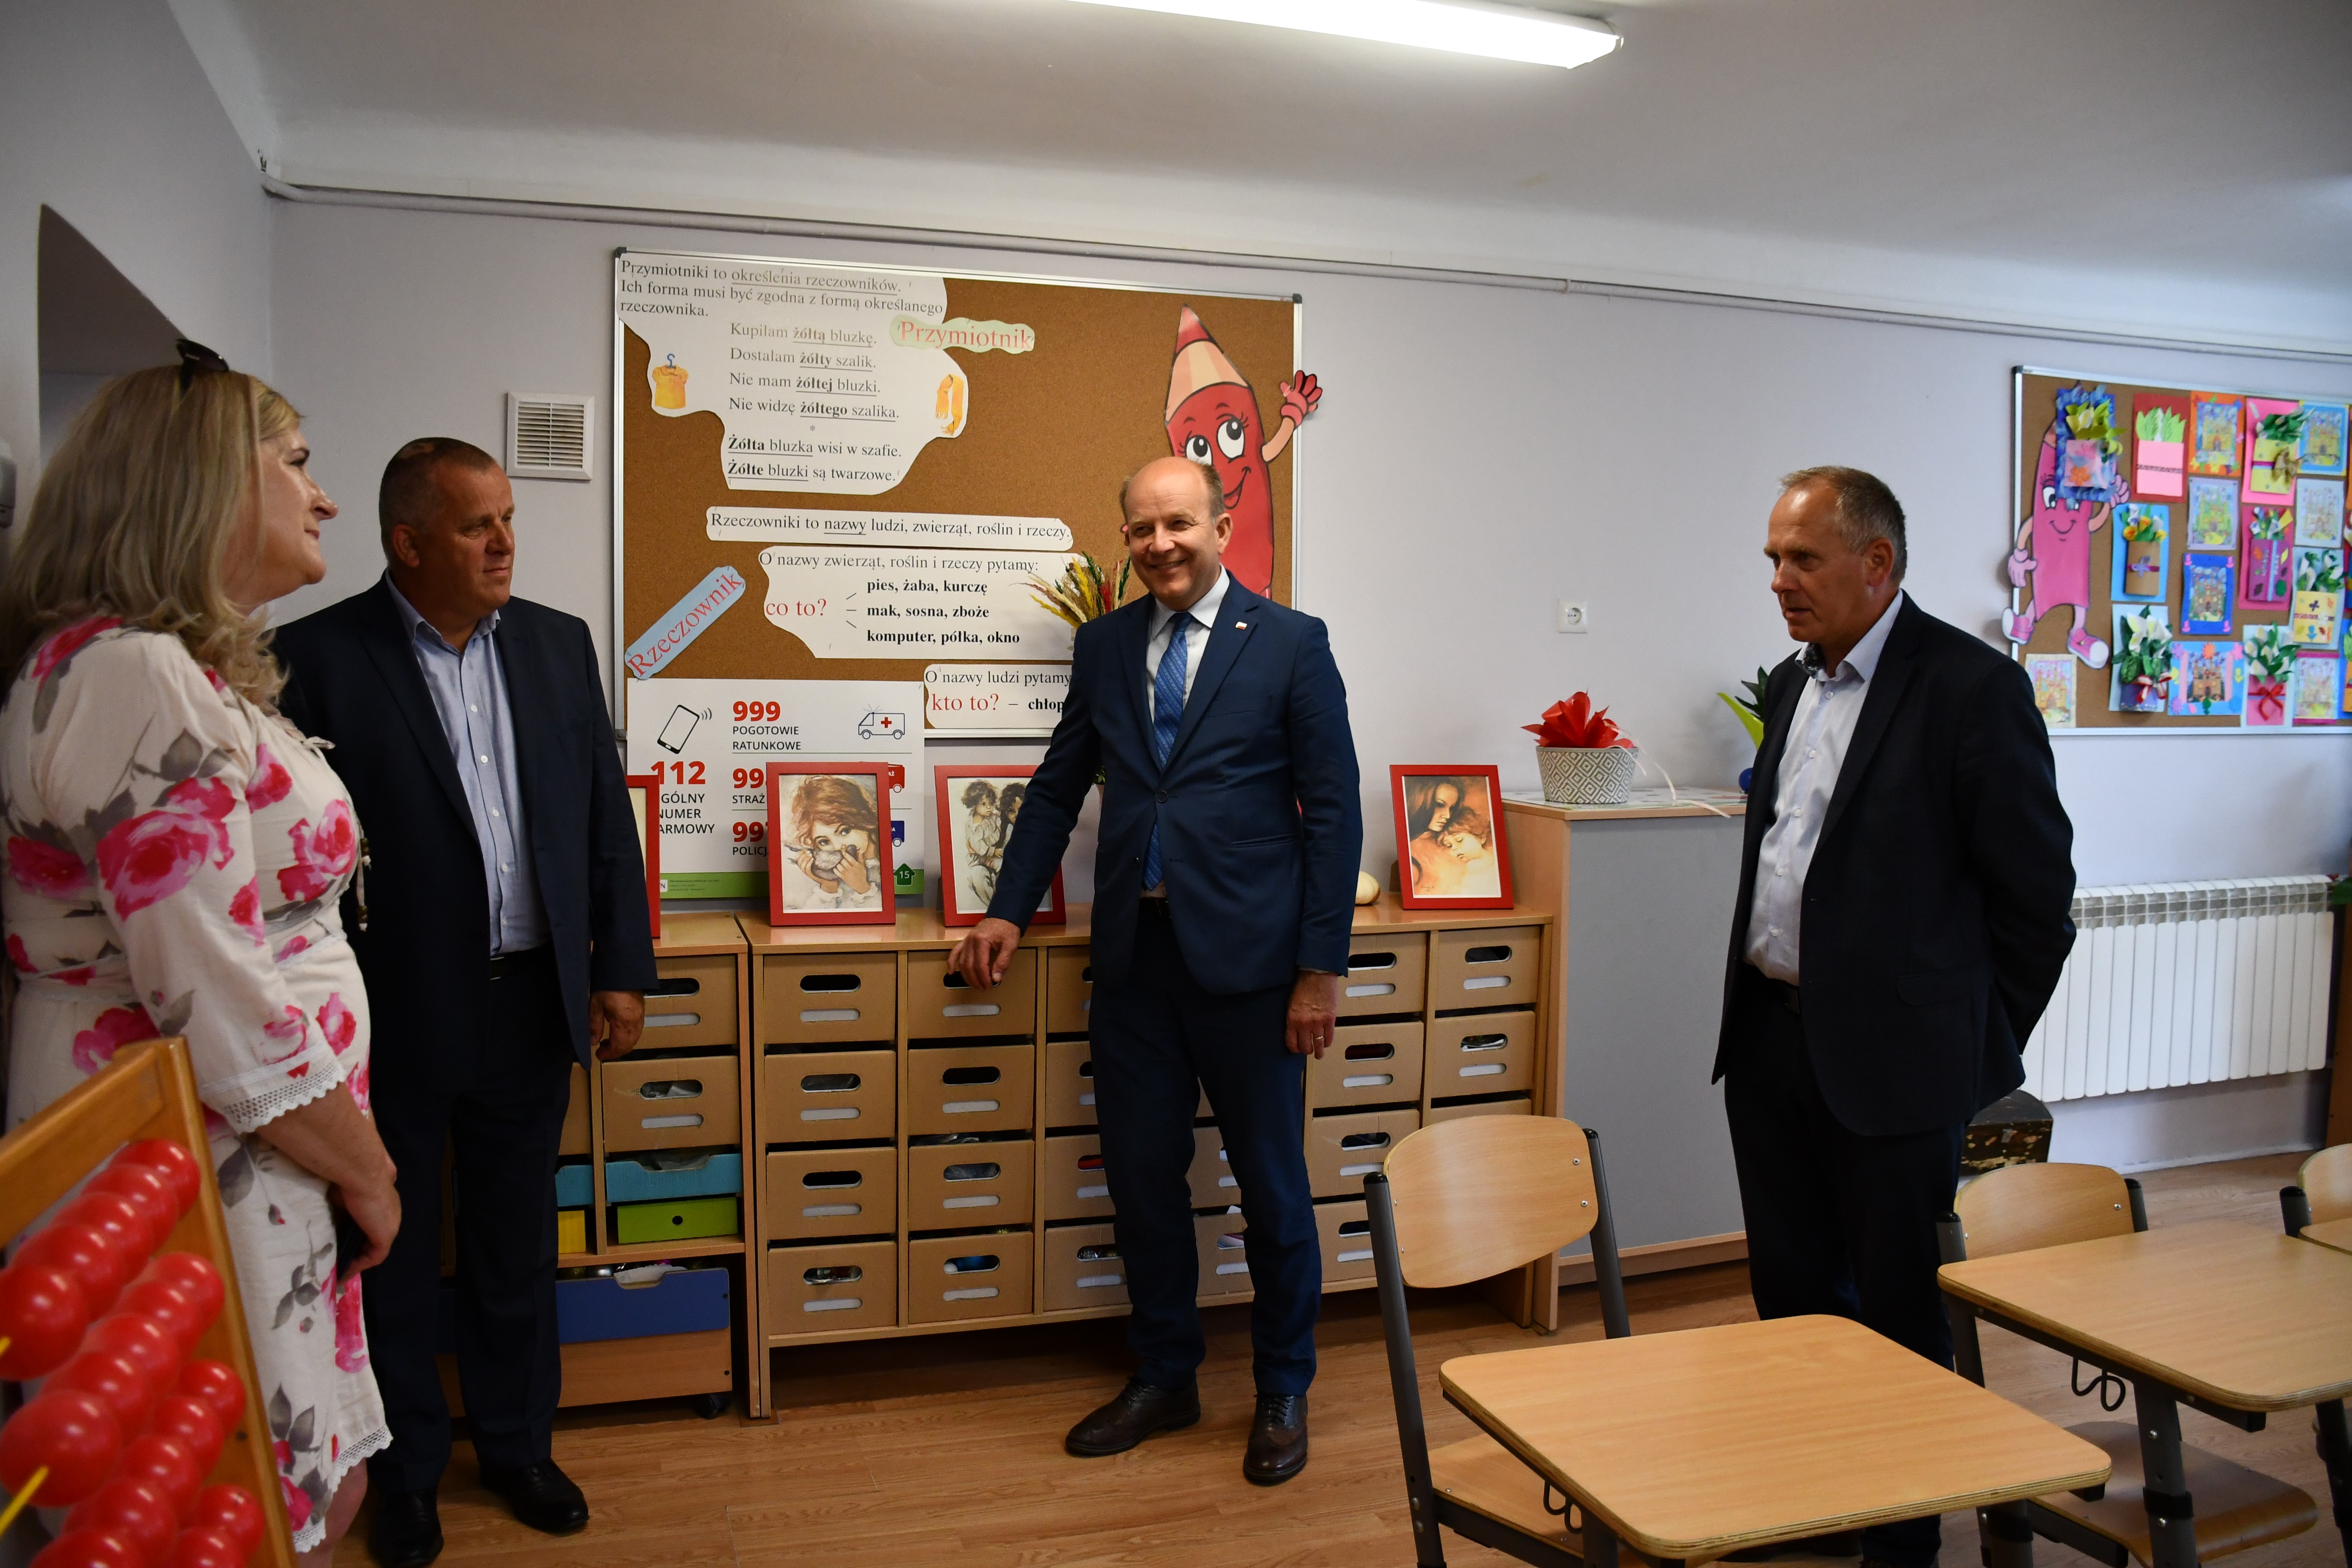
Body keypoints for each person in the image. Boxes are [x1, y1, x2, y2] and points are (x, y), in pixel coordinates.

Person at [0, 348, 395, 1566]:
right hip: (203, 1147)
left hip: (255, 1148)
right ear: (205, 480)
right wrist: (371, 1169)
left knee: (306, 1495)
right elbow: (211, 994)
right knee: (240, 1506)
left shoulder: (159, 669)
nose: (324, 497)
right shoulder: (133, 675)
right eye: (298, 463)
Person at [273, 438, 656, 1568]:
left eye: (508, 519)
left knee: (513, 1242)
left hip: (530, 1000)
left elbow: (603, 816)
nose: (504, 543)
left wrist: (621, 967)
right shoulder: (314, 657)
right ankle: (404, 1474)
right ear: (408, 543)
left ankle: (519, 1447)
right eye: (477, 525)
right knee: (388, 1249)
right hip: (390, 1013)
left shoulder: (556, 642)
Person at [950, 455, 1361, 1486]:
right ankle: (1167, 1375)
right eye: (1142, 529)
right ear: (1127, 538)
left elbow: (1333, 810)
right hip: (1136, 959)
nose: (1161, 544)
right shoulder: (1104, 644)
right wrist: (1005, 910)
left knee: (1272, 1188)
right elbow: (1057, 789)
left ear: (1220, 525)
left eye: (1178, 523)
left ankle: (1283, 1387)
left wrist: (1320, 969)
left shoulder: (1292, 642)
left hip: (1255, 966)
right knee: (1140, 1180)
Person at [1714, 466, 2075, 1568]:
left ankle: (1901, 1541)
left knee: (1898, 1317)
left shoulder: (1970, 689)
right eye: (1774, 559)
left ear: (1877, 563)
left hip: (1900, 1068)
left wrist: (1968, 1049)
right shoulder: (1793, 685)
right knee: (1794, 1301)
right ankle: (1818, 1510)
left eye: (1803, 558)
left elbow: (2036, 900)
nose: (1780, 579)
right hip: (1772, 1043)